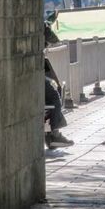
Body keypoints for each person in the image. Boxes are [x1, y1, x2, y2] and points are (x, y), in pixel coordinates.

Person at [44, 20, 74, 148]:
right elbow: (54, 39)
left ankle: (50, 133)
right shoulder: (40, 23)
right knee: (54, 97)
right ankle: (54, 133)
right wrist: (46, 24)